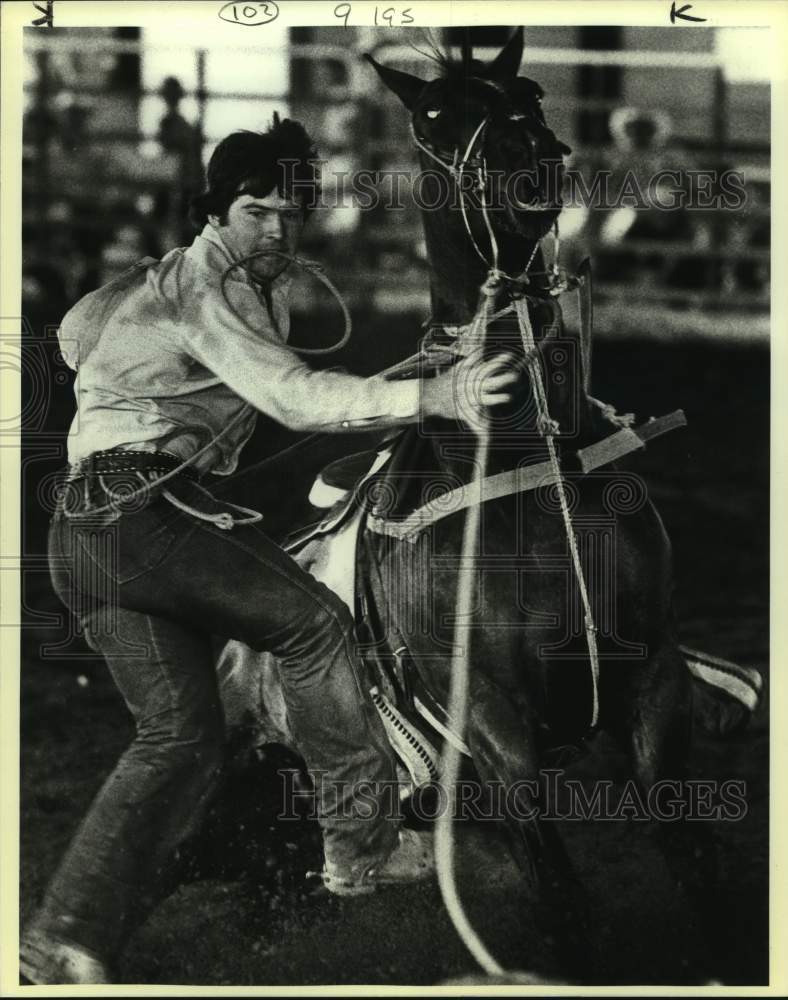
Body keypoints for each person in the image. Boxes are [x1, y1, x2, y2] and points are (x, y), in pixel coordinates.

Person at [20, 117, 518, 985]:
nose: (280, 231)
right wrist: (441, 391)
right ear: (217, 209)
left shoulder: (159, 283)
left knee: (177, 738)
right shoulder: (213, 286)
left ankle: (65, 938)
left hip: (81, 538)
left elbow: (71, 334)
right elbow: (293, 397)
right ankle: (359, 848)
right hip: (145, 513)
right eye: (258, 212)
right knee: (316, 624)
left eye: (294, 213)